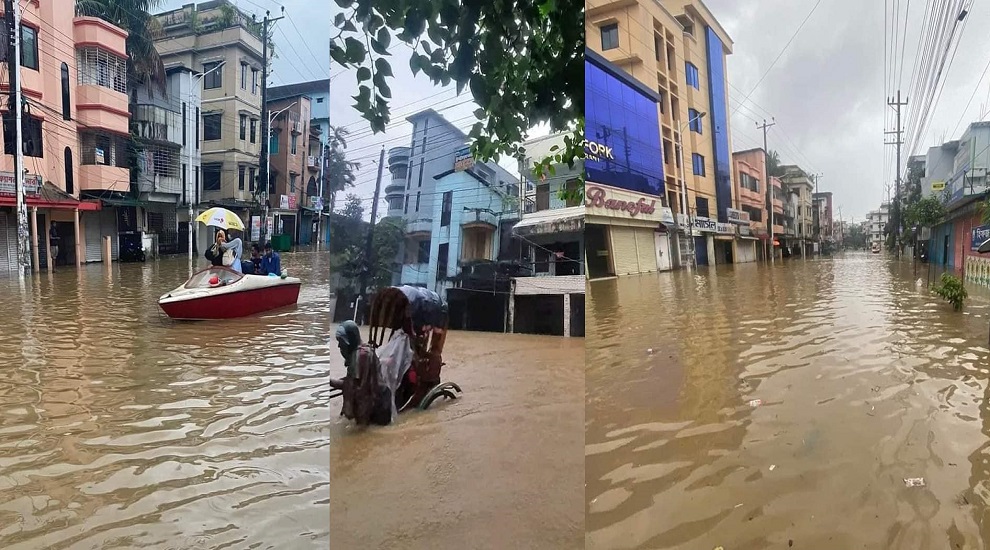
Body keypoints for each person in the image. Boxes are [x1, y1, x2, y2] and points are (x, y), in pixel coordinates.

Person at [331, 321, 391, 426]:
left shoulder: (361, 356)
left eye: (342, 342)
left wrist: (360, 429)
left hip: (377, 408)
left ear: (350, 340)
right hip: (375, 402)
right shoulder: (357, 354)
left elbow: (360, 391)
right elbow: (351, 381)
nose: (339, 346)